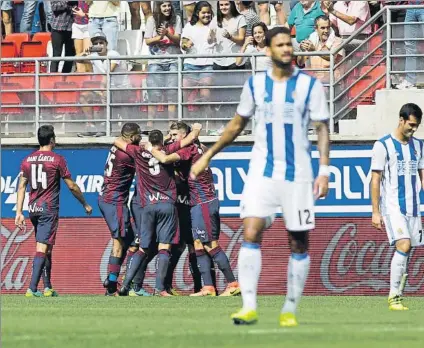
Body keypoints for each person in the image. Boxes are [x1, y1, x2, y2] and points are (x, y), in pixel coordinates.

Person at [190, 26, 330, 325]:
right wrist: (207, 155)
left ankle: (290, 309)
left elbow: (321, 129)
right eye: (280, 45)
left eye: (289, 44)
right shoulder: (255, 85)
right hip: (262, 173)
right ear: (268, 50)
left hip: (299, 175)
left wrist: (325, 170)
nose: (286, 49)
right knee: (251, 230)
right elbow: (236, 125)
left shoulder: (310, 86)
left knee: (298, 242)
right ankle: (249, 306)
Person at [149, 123, 240, 297]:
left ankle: (232, 283)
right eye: (170, 134)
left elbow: (166, 159)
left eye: (175, 134)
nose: (172, 137)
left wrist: (150, 148)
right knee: (197, 243)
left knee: (210, 244)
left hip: (203, 202)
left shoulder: (187, 150)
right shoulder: (199, 148)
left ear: (185, 135)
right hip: (200, 202)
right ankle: (208, 287)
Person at [114, 125, 202, 296]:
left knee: (142, 248)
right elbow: (189, 140)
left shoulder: (138, 152)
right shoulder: (168, 150)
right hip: (166, 205)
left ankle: (125, 285)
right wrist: (195, 129)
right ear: (162, 141)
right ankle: (160, 289)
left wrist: (142, 145)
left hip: (147, 205)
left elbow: (117, 141)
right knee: (164, 247)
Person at [15, 125, 92, 297]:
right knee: (42, 247)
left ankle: (48, 287)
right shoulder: (57, 160)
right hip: (48, 208)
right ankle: (32, 289)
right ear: (52, 140)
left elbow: (21, 186)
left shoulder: (27, 160)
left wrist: (18, 212)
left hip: (33, 208)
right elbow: (71, 185)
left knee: (47, 248)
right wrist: (85, 203)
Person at [371, 103, 424, 311]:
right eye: (411, 124)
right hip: (393, 207)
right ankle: (394, 297)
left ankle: (398, 294)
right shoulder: (383, 145)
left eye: (417, 126)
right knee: (403, 244)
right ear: (401, 120)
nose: (413, 129)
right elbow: (375, 179)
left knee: (408, 249)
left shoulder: (419, 146)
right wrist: (375, 211)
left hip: (413, 208)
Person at [99, 123, 141, 296]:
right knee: (119, 242)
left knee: (131, 240)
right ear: (132, 138)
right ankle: (111, 286)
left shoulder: (117, 146)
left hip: (108, 198)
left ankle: (115, 278)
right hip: (114, 200)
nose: (141, 138)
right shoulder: (127, 155)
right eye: (139, 135)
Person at [145, 1, 182, 122]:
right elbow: (147, 41)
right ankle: (150, 123)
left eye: (169, 5)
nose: (167, 8)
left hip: (173, 60)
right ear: (159, 7)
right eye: (164, 6)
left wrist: (168, 34)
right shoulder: (152, 20)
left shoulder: (176, 18)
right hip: (156, 61)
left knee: (172, 93)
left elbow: (178, 40)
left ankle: (172, 123)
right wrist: (160, 37)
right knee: (153, 93)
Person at [50, 1, 76, 73]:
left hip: (72, 27)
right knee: (56, 54)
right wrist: (67, 2)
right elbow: (54, 7)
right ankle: (52, 77)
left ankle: (66, 76)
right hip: (57, 27)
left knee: (70, 54)